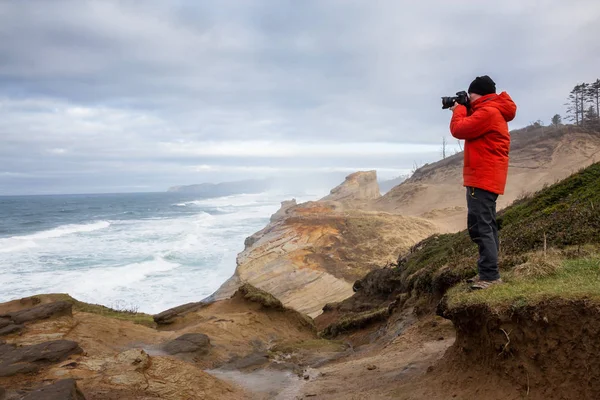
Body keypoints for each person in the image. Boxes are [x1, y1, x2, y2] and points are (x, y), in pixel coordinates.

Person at [449, 75, 517, 290]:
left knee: (482, 227)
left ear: (477, 93)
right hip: (484, 176)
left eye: (470, 95)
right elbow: (471, 124)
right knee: (484, 225)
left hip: (482, 177)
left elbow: (459, 130)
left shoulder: (488, 112)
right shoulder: (489, 111)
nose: (468, 98)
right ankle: (488, 273)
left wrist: (459, 109)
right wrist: (465, 107)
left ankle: (490, 276)